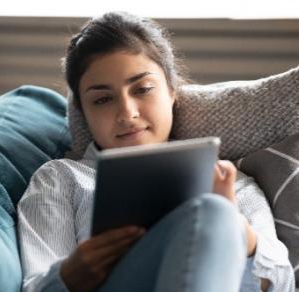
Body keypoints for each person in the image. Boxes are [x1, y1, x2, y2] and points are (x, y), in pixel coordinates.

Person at [17, 12, 295, 292]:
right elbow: (33, 287)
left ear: (172, 92)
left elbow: (283, 283)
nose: (127, 113)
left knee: (216, 210)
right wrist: (70, 274)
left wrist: (237, 231)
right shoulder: (60, 179)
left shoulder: (229, 181)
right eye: (102, 99)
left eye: (143, 89)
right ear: (82, 111)